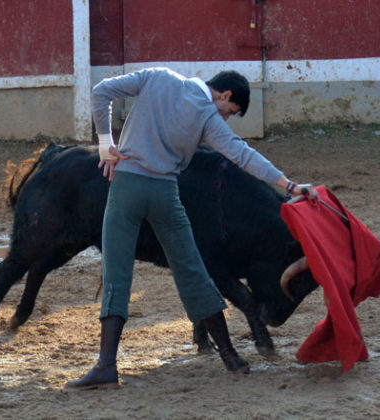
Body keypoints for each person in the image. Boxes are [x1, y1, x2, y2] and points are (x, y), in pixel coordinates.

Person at [66, 67, 317, 389]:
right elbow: (242, 154)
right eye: (230, 111)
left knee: (117, 273)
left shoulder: (157, 77)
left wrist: (105, 142)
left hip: (127, 186)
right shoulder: (207, 117)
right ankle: (230, 355)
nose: (225, 118)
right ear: (224, 95)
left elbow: (101, 91)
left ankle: (106, 366)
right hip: (166, 193)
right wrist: (289, 185)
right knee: (193, 272)